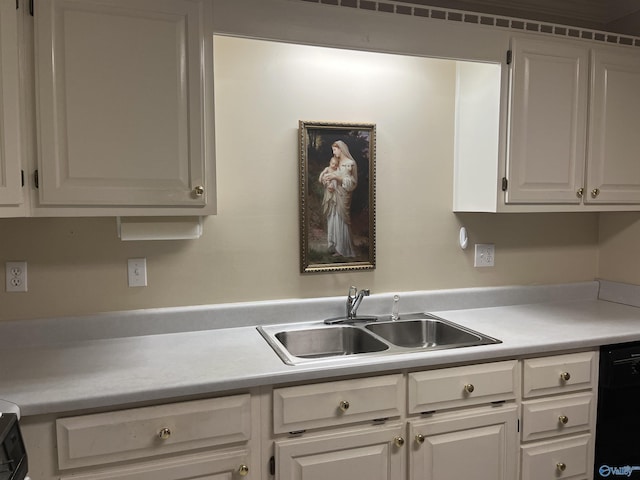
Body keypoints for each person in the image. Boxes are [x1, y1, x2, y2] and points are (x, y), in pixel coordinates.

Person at [319, 140, 358, 257]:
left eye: (335, 150)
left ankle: (343, 248)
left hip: (342, 196)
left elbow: (352, 183)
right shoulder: (335, 162)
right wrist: (328, 184)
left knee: (341, 220)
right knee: (332, 218)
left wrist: (337, 178)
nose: (334, 152)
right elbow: (328, 177)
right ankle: (334, 246)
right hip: (333, 196)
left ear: (341, 149)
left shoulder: (350, 163)